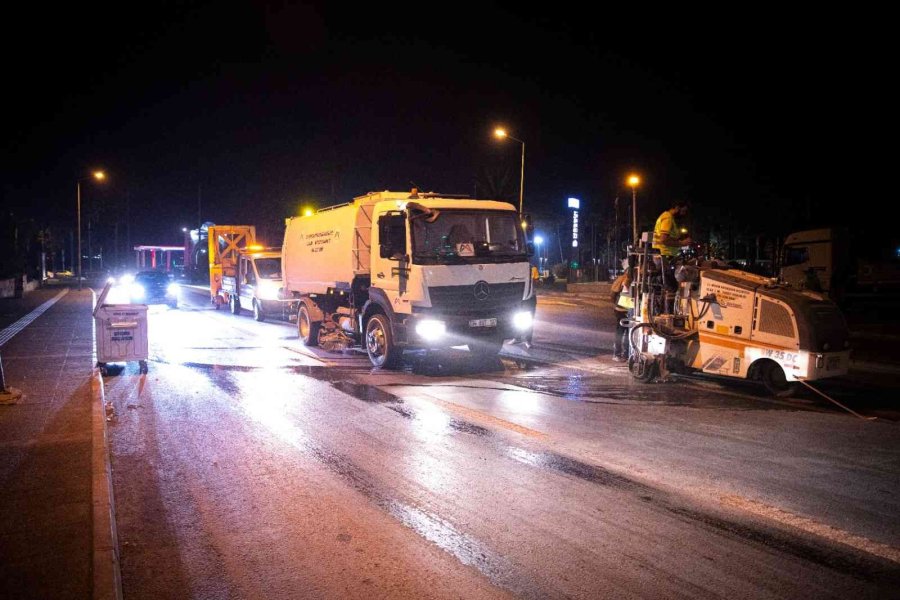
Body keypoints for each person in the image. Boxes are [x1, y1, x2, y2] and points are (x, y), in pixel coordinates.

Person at [652, 200, 692, 309]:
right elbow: (664, 239)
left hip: (664, 256)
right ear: (677, 208)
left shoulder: (668, 218)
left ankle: (664, 311)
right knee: (671, 287)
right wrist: (681, 243)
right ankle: (668, 313)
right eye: (683, 211)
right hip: (663, 256)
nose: (684, 214)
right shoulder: (668, 218)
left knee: (668, 286)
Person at [609, 262, 634, 362]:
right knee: (621, 332)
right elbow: (613, 294)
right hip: (622, 311)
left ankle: (625, 354)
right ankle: (618, 353)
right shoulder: (623, 280)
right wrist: (617, 304)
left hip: (629, 311)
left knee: (628, 333)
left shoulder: (633, 280)